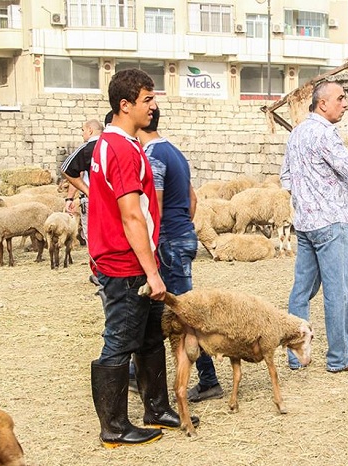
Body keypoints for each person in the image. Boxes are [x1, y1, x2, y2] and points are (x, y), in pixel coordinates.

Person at [88, 69, 187, 448]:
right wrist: (152, 272)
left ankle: (156, 407)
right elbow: (131, 215)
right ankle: (113, 427)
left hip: (129, 259)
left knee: (149, 338)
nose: (154, 106)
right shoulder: (124, 150)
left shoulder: (109, 144)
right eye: (147, 99)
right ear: (124, 105)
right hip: (126, 264)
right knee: (119, 341)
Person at [280, 81, 348, 372]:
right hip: (332, 223)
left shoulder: (296, 134)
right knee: (338, 294)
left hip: (306, 224)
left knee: (301, 291)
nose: (345, 103)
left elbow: (285, 179)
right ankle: (339, 359)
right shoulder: (325, 135)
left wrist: (308, 196)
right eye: (341, 99)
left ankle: (296, 356)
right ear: (323, 104)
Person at [137, 108, 224, 403]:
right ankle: (142, 372)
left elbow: (154, 206)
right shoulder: (174, 151)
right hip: (183, 234)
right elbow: (192, 198)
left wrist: (154, 240)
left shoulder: (152, 157)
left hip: (168, 239)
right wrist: (184, 226)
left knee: (184, 312)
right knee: (176, 309)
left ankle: (209, 378)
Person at [61, 119, 103, 244]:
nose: (82, 134)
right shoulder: (111, 145)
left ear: (90, 130)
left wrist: (87, 192)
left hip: (93, 200)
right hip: (112, 200)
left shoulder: (87, 148)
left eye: (83, 130)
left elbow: (67, 169)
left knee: (93, 237)